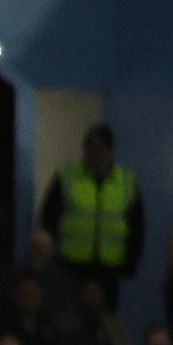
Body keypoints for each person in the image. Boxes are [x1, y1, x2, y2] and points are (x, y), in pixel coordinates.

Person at [42, 126, 143, 306]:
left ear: (110, 150)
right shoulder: (67, 176)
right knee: (71, 314)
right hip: (72, 263)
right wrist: (51, 255)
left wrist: (131, 263)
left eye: (99, 147)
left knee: (106, 317)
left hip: (110, 265)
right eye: (90, 147)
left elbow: (137, 226)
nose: (94, 152)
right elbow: (48, 217)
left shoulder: (127, 180)